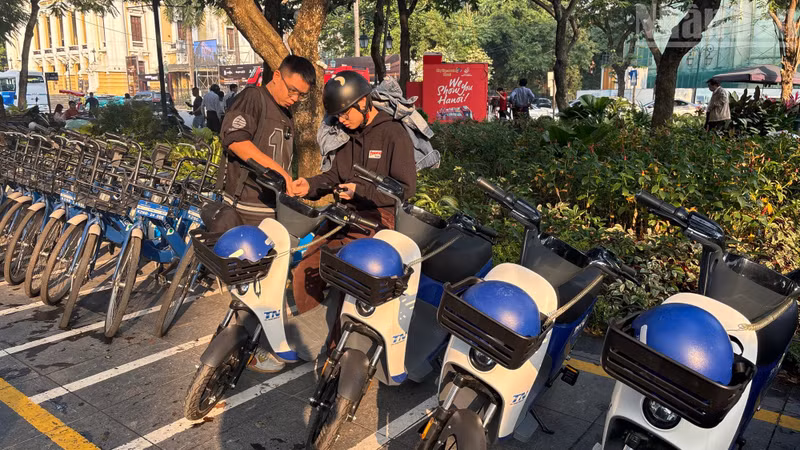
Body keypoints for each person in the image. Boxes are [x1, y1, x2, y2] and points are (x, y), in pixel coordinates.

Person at [278, 71, 416, 371]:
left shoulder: (393, 133)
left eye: (344, 113)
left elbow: (405, 189)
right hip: (344, 217)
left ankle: (339, 352)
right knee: (305, 269)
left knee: (346, 277)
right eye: (336, 116)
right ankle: (317, 337)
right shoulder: (347, 136)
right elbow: (334, 177)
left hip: (379, 222)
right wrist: (310, 186)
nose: (340, 121)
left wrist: (361, 190)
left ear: (364, 102)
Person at [217, 55, 315, 372]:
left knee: (262, 280)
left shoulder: (283, 111)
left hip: (269, 207)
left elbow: (280, 159)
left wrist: (293, 181)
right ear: (276, 76)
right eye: (292, 90)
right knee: (256, 280)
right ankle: (251, 347)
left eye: (302, 95)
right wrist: (280, 174)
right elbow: (237, 143)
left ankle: (247, 341)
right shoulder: (253, 98)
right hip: (246, 205)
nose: (296, 98)